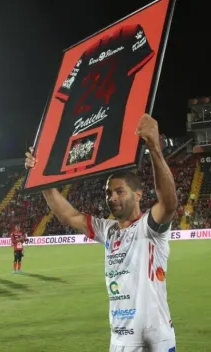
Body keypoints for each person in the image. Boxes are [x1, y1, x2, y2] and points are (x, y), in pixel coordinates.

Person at [25, 114, 178, 352]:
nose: (112, 198)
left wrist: (154, 148)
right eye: (108, 193)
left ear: (138, 194)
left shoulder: (150, 227)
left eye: (119, 191)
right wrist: (39, 177)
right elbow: (69, 216)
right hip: (119, 340)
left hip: (154, 341)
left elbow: (168, 203)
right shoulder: (107, 230)